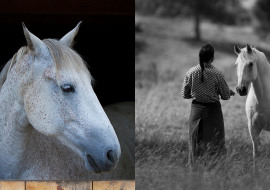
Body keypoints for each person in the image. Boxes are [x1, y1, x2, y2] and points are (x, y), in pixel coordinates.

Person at [181, 43, 235, 165]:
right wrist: (227, 92)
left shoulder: (191, 72)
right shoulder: (217, 74)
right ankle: (214, 171)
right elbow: (225, 96)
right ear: (212, 58)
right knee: (216, 143)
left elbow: (185, 94)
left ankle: (194, 172)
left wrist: (197, 94)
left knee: (195, 143)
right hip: (213, 112)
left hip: (196, 111)